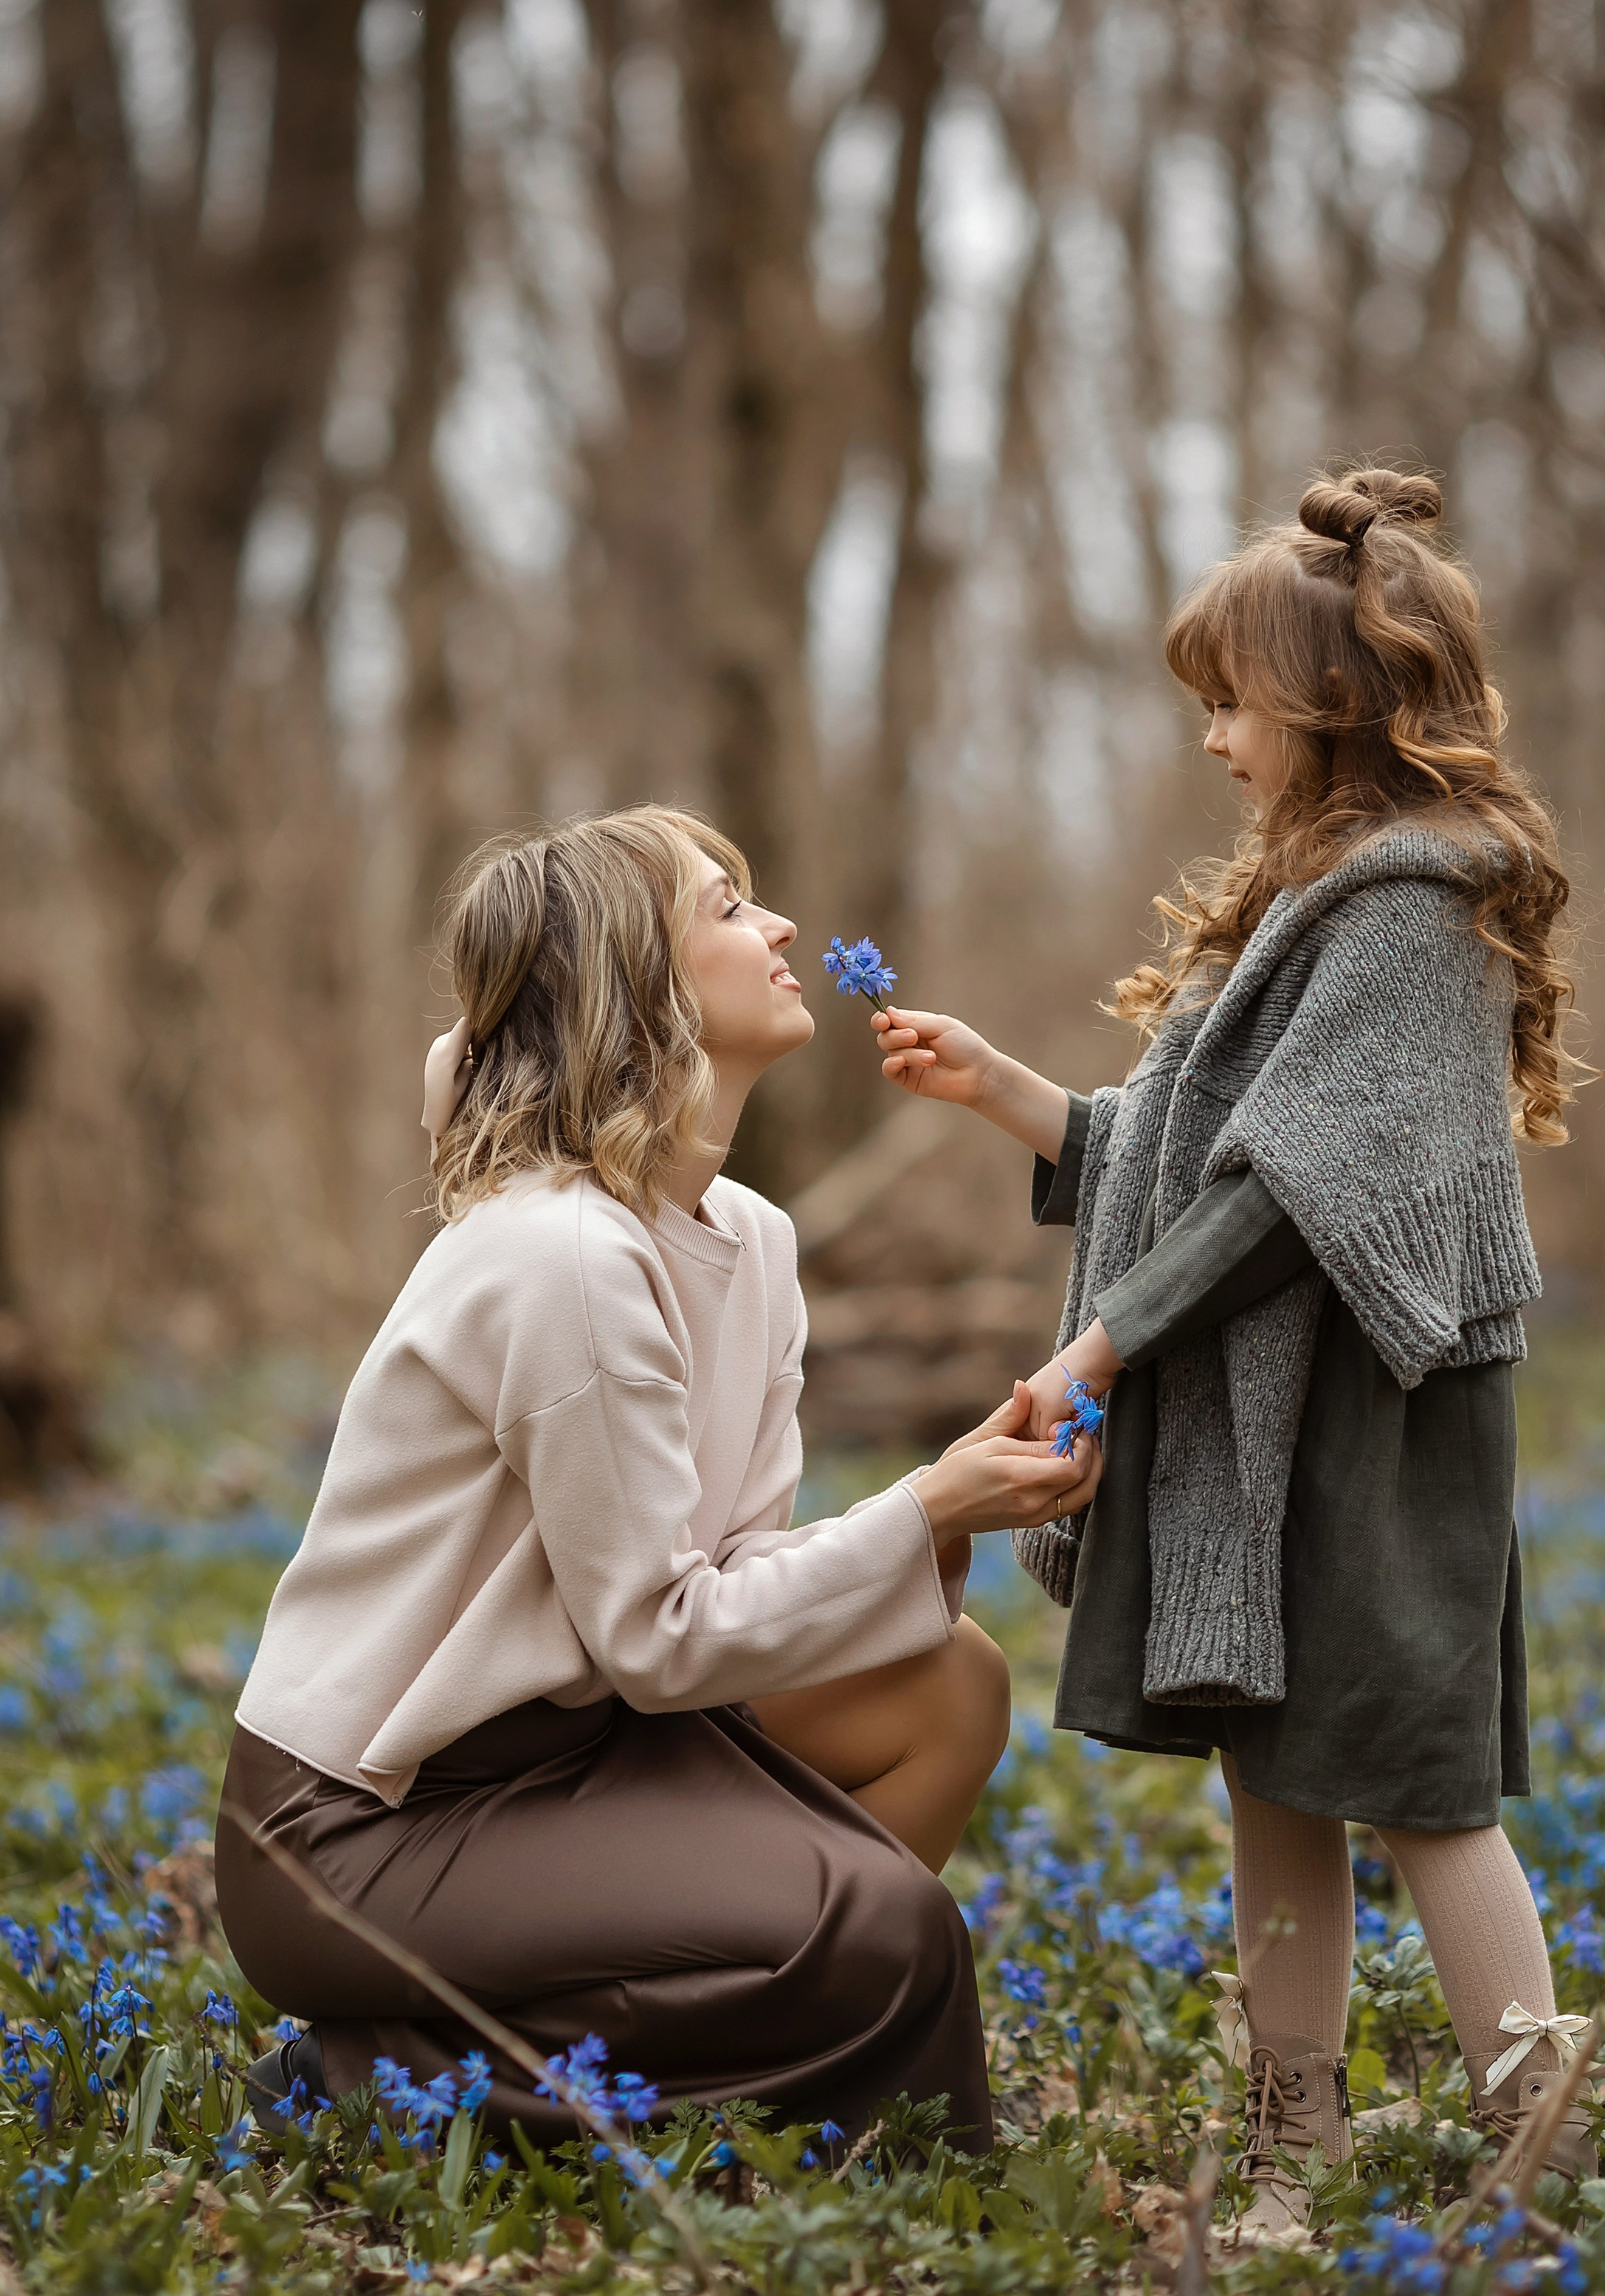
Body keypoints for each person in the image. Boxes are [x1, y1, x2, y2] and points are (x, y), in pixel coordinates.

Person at [871, 467, 1592, 2230]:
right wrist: (1010, 1098)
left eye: (1229, 703)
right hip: (1275, 1397)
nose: (1210, 741)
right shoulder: (1313, 892)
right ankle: (1294, 2147)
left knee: (1405, 1768)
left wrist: (1099, 1350)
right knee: (1267, 1764)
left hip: (1381, 1401)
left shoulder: (1423, 904)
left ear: (1331, 699)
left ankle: (1533, 2104)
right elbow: (1191, 1152)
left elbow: (1293, 1194)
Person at [214, 807, 1099, 2150]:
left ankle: (697, 2029)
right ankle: (384, 2078)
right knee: (890, 1932)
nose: (785, 925)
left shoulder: (749, 1239)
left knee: (952, 1685)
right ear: (639, 984)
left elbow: (726, 1582)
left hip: (590, 1740)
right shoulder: (559, 1253)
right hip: (367, 1826)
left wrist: (948, 1501)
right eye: (729, 907)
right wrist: (931, 1503)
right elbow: (658, 1639)